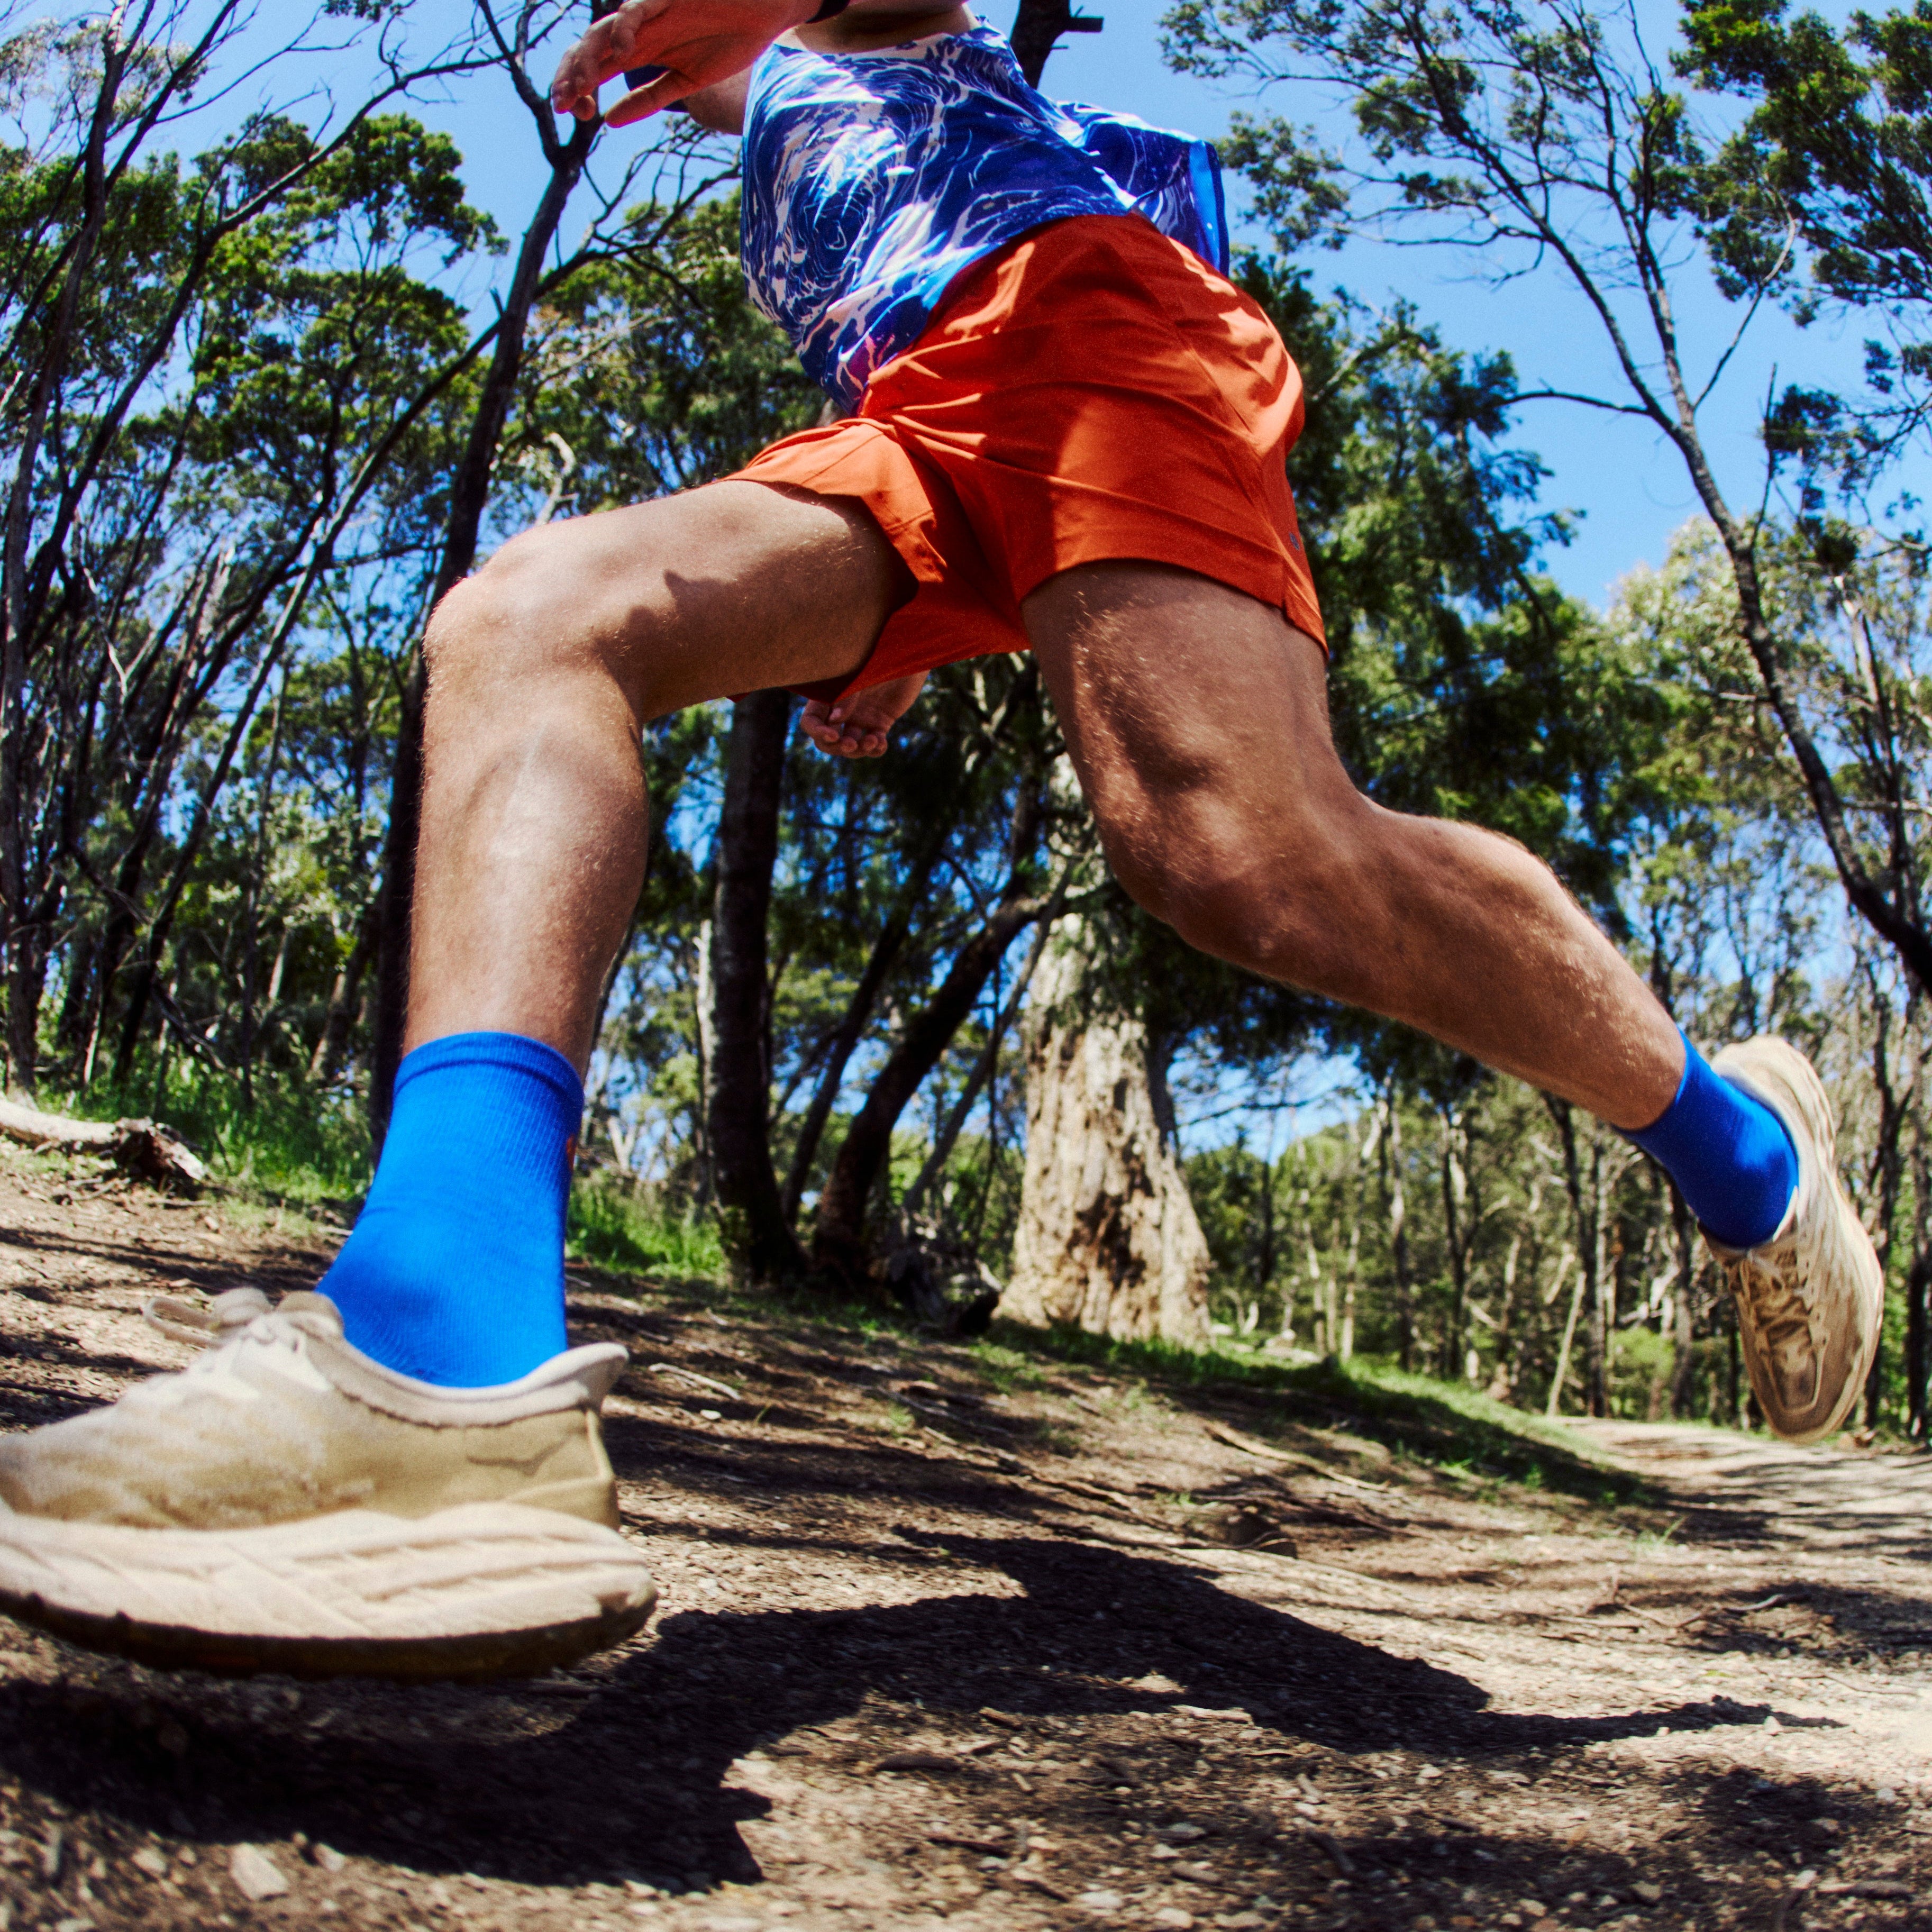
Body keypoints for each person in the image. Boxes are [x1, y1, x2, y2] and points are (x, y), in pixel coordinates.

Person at [0, 0, 1881, 1680]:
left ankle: (1738, 1145)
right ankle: (441, 1362)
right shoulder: (769, 89)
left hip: (1088, 322)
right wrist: (910, 612)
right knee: (531, 620)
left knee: (1237, 858)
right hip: (918, 409)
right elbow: (855, 235)